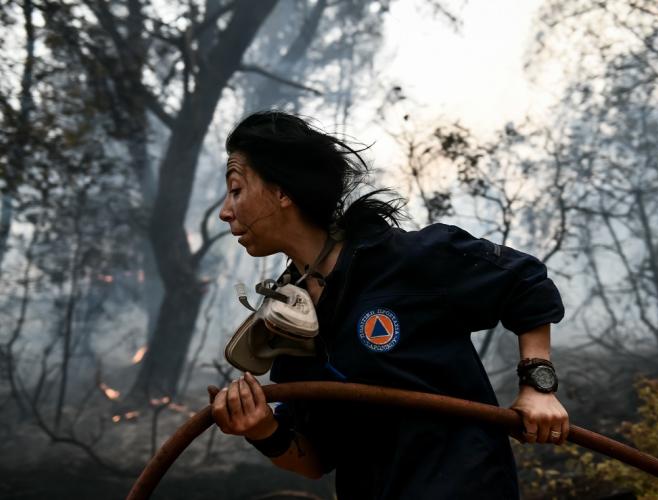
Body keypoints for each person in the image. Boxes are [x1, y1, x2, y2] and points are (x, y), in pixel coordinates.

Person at [213, 110, 568, 499]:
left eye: (236, 190)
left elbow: (524, 281)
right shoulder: (291, 328)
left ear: (282, 192)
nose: (225, 211)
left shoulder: (407, 260)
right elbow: (315, 460)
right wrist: (262, 430)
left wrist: (538, 384)